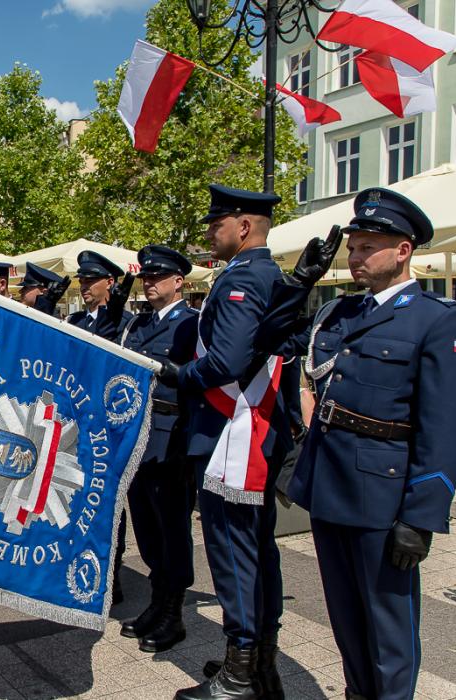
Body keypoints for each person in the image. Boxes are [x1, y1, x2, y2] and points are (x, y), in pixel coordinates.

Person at [288, 188, 456, 700]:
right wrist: (298, 285)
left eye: (368, 247)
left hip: (384, 498)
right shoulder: (341, 312)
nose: (355, 257)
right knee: (346, 621)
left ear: (403, 250)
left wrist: (421, 516)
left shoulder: (439, 319)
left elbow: (447, 428)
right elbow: (272, 338)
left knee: (388, 632)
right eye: (353, 248)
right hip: (330, 485)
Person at [158, 185, 331, 700]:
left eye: (217, 224)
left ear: (244, 226)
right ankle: (258, 664)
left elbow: (228, 362)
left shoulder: (244, 278)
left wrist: (179, 375)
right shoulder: (261, 275)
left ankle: (240, 675)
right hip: (245, 431)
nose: (211, 232)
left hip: (232, 433)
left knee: (234, 552)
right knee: (253, 550)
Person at [117, 245, 199, 654]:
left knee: (172, 528)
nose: (149, 283)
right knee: (147, 527)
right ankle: (156, 601)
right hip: (139, 437)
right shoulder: (139, 324)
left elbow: (200, 383)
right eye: (146, 277)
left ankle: (173, 612)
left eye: (157, 277)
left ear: (178, 281)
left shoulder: (193, 324)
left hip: (172, 439)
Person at [66, 250, 134, 342]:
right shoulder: (72, 320)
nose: (83, 287)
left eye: (89, 281)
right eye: (81, 282)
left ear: (109, 282)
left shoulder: (127, 322)